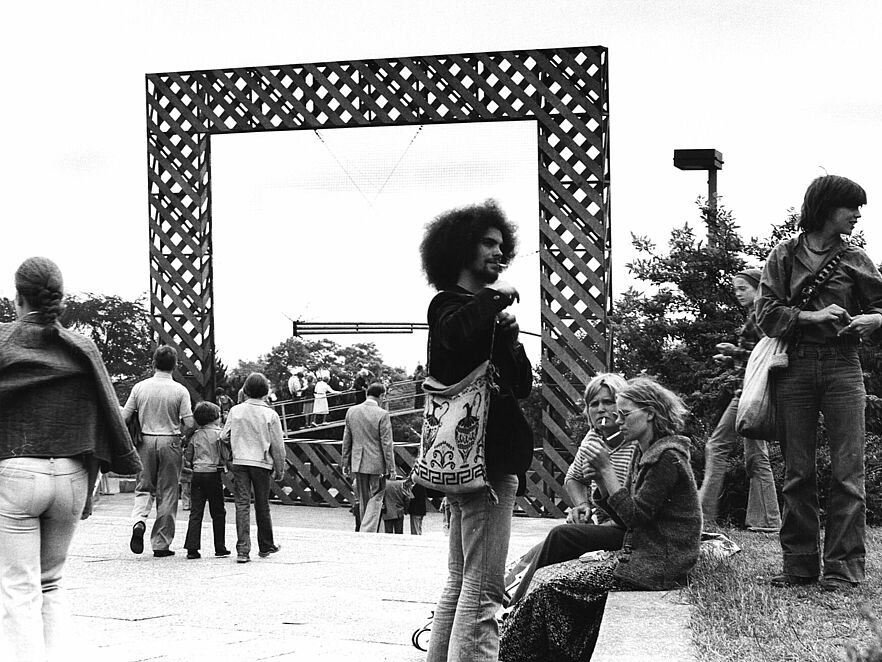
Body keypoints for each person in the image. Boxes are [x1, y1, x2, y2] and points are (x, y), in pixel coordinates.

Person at [499, 377, 701, 662]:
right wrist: (604, 484)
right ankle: (519, 641)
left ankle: (509, 646)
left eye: (624, 414)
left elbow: (635, 518)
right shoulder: (647, 450)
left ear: (651, 413)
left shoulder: (666, 458)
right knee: (548, 580)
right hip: (643, 552)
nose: (618, 421)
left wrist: (606, 473)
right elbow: (629, 515)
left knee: (548, 584)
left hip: (656, 564)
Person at [0, 257, 141, 661]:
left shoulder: (3, 342)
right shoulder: (83, 348)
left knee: (18, 587)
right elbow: (106, 414)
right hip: (73, 474)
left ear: (18, 297)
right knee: (51, 584)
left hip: (15, 469)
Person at [756, 175, 882, 591]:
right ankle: (800, 564)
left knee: (849, 472)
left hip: (844, 365)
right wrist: (811, 317)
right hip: (794, 367)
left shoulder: (856, 258)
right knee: (797, 472)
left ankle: (843, 570)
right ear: (829, 207)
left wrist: (874, 319)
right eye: (852, 208)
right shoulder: (783, 255)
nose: (858, 215)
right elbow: (766, 316)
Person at [420, 199, 534, 662]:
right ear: (460, 248)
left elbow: (522, 386)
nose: (499, 252)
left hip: (478, 459)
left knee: (462, 578)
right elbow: (454, 337)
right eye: (488, 243)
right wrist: (495, 299)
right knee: (485, 589)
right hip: (484, 462)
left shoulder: (484, 315)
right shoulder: (448, 305)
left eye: (502, 245)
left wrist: (509, 333)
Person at [508, 373, 636, 606]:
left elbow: (634, 512)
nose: (600, 409)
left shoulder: (634, 441)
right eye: (593, 404)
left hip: (628, 529)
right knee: (539, 550)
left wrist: (604, 474)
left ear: (623, 404)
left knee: (561, 536)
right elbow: (574, 478)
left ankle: (515, 609)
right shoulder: (593, 438)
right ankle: (505, 596)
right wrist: (582, 506)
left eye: (608, 402)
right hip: (608, 523)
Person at [699, 268, 782, 532]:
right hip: (751, 391)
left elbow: (765, 353)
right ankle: (766, 520)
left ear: (759, 288)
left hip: (748, 394)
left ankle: (703, 516)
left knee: (717, 446)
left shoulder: (761, 313)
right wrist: (731, 358)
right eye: (735, 289)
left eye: (743, 288)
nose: (737, 293)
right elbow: (754, 355)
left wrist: (733, 350)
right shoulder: (759, 314)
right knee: (756, 456)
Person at [122, 345, 194, 558]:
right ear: (175, 365)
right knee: (168, 492)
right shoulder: (180, 390)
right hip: (170, 441)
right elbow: (189, 422)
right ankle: (161, 543)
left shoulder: (140, 387)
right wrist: (182, 434)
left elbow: (125, 416)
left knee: (143, 487)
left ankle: (139, 521)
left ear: (153, 363)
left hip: (145, 440)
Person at [222, 372, 286, 563]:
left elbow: (224, 436)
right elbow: (278, 445)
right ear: (265, 391)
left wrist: (232, 451)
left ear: (246, 390)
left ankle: (243, 550)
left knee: (242, 504)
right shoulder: (270, 414)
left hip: (240, 461)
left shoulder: (236, 410)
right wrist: (280, 468)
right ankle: (266, 545)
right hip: (261, 463)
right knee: (262, 504)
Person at [342, 382, 396, 533]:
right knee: (377, 497)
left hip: (358, 461)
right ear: (381, 395)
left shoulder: (352, 411)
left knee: (363, 499)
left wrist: (345, 462)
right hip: (376, 463)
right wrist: (391, 468)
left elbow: (347, 439)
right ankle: (369, 530)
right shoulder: (382, 414)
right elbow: (387, 444)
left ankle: (364, 528)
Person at [183, 401, 231, 559]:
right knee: (218, 511)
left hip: (198, 474)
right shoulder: (219, 434)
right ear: (215, 417)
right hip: (213, 474)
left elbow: (188, 456)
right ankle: (220, 547)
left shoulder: (195, 435)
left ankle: (192, 548)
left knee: (196, 511)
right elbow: (225, 455)